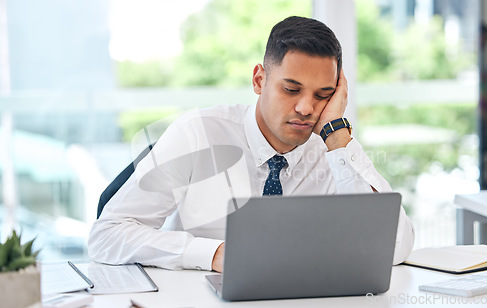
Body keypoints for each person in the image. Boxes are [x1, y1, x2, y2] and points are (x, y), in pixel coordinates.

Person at [88, 16, 414, 273]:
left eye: (322, 95)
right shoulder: (198, 133)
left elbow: (395, 246)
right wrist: (213, 253)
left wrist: (339, 139)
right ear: (259, 80)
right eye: (291, 89)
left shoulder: (331, 152)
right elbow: (107, 236)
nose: (306, 108)